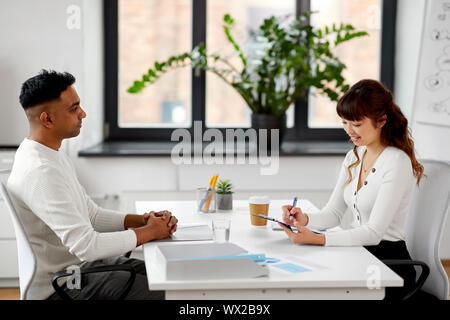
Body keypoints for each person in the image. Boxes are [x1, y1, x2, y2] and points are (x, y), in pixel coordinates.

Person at [7, 69, 178, 300]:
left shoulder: (49, 154)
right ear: (47, 119)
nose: (83, 113)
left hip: (81, 270)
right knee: (169, 296)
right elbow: (87, 245)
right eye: (73, 108)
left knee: (169, 278)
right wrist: (148, 233)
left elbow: (92, 215)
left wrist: (142, 221)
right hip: (63, 286)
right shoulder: (41, 170)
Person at [280, 79, 424, 300]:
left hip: (388, 266)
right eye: (344, 122)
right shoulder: (354, 156)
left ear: (382, 120)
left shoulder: (396, 162)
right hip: (358, 255)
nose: (349, 131)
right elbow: (333, 214)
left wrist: (318, 239)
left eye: (356, 124)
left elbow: (374, 233)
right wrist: (304, 219)